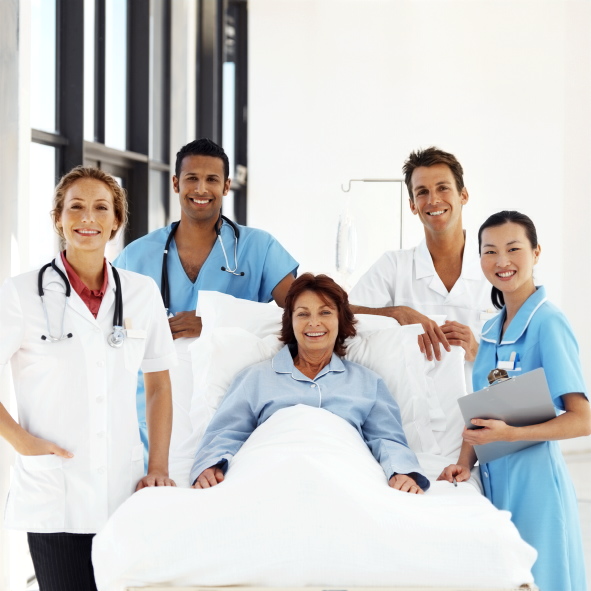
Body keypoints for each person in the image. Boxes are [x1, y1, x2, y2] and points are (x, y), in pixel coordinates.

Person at [0, 167, 176, 591]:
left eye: (101, 208)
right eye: (75, 207)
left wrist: (158, 467)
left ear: (116, 221)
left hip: (126, 490)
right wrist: (23, 442)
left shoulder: (141, 292)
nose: (87, 218)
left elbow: (159, 385)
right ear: (57, 218)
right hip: (55, 491)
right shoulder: (21, 294)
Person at [114, 138, 299, 458]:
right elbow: (111, 330)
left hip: (231, 410)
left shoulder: (259, 247)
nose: (201, 188)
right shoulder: (136, 256)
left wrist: (214, 321)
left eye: (212, 179)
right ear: (176, 183)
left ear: (227, 186)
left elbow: (302, 317)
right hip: (151, 417)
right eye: (192, 178)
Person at [438, 211, 590, 591]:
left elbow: (583, 418)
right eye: (490, 251)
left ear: (536, 253)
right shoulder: (489, 331)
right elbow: (483, 413)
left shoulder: (548, 323)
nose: (502, 261)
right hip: (493, 487)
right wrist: (462, 463)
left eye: (513, 248)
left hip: (537, 488)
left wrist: (508, 434)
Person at [191, 273, 429, 494]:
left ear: (340, 320)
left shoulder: (368, 382)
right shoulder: (254, 378)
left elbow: (386, 439)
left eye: (325, 313)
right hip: (269, 478)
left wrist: (402, 472)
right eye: (303, 314)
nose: (314, 323)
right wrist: (211, 466)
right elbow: (226, 432)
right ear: (291, 322)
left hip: (344, 479)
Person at [349, 147, 493, 372]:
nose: (433, 200)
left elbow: (523, 359)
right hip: (412, 405)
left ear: (463, 195)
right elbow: (341, 312)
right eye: (422, 192)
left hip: (481, 406)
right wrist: (396, 313)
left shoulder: (496, 268)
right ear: (412, 205)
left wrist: (479, 352)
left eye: (443, 188)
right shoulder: (394, 266)